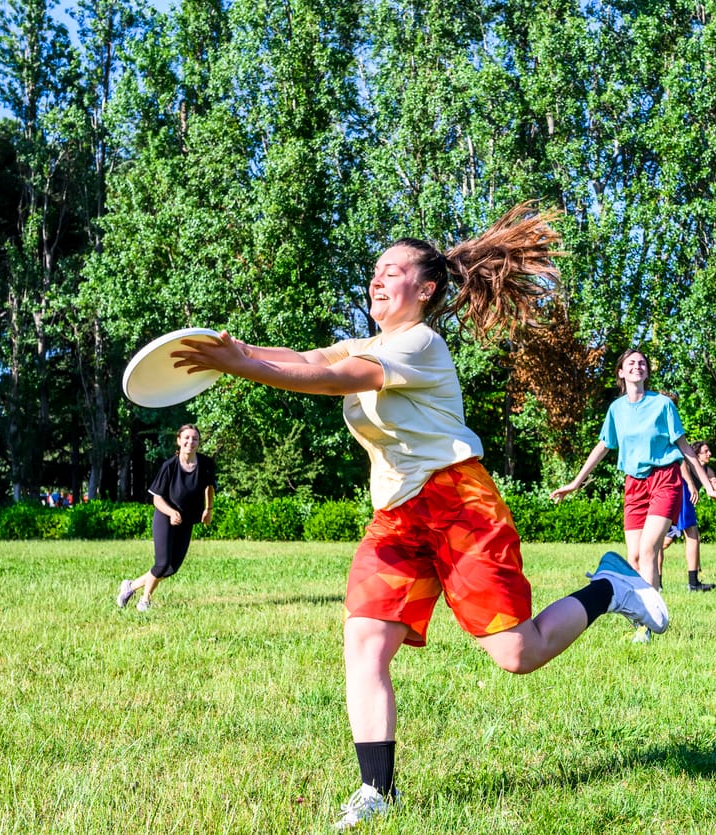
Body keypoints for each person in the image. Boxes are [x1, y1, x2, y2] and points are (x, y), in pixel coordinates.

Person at [170, 202, 668, 831]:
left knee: (517, 652)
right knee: (364, 642)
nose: (376, 279)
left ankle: (610, 586)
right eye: (375, 270)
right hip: (397, 515)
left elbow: (334, 379)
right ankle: (376, 790)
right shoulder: (371, 341)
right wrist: (235, 348)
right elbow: (309, 356)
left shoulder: (419, 344)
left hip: (458, 503)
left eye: (392, 271)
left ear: (425, 289)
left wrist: (241, 367)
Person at [550, 351, 716, 638]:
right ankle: (643, 616)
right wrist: (575, 482)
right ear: (621, 372)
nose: (637, 366)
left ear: (647, 373)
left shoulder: (662, 405)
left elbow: (683, 447)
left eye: (642, 363)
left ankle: (648, 625)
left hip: (664, 480)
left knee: (648, 551)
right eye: (630, 363)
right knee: (633, 558)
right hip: (634, 485)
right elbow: (603, 446)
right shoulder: (616, 410)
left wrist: (707, 487)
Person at [116, 424, 216, 612]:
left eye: (194, 438)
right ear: (179, 440)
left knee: (172, 568)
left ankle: (130, 586)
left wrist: (208, 509)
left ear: (199, 442)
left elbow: (209, 487)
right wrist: (171, 512)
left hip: (187, 519)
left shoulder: (206, 464)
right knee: (162, 563)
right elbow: (157, 498)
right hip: (165, 517)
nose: (190, 442)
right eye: (186, 438)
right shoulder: (169, 466)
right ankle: (144, 601)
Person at [662, 440, 716, 591]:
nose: (709, 454)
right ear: (696, 455)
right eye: (705, 451)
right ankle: (693, 584)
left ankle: (655, 582)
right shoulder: (687, 464)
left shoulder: (707, 469)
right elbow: (680, 465)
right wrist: (690, 484)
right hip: (681, 495)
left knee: (663, 542)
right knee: (693, 535)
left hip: (680, 499)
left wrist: (715, 484)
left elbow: (713, 481)